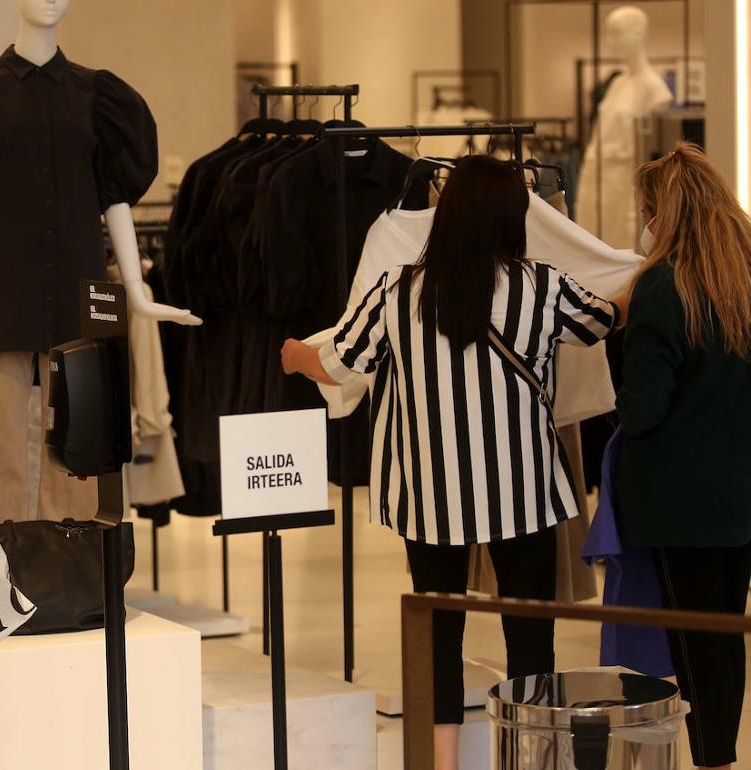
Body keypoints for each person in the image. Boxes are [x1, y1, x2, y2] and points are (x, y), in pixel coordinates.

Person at [281, 155, 619, 770]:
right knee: (530, 631)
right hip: (523, 490)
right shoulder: (542, 285)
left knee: (437, 628)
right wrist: (649, 273)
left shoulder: (398, 290)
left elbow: (335, 364)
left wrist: (292, 354)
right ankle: (530, 754)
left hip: (427, 492)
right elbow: (604, 320)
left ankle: (442, 762)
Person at [617, 143, 751, 770]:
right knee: (726, 630)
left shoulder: (663, 287)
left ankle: (712, 760)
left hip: (679, 500)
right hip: (742, 491)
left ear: (660, 213)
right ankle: (720, 753)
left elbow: (644, 406)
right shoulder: (744, 277)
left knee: (694, 639)